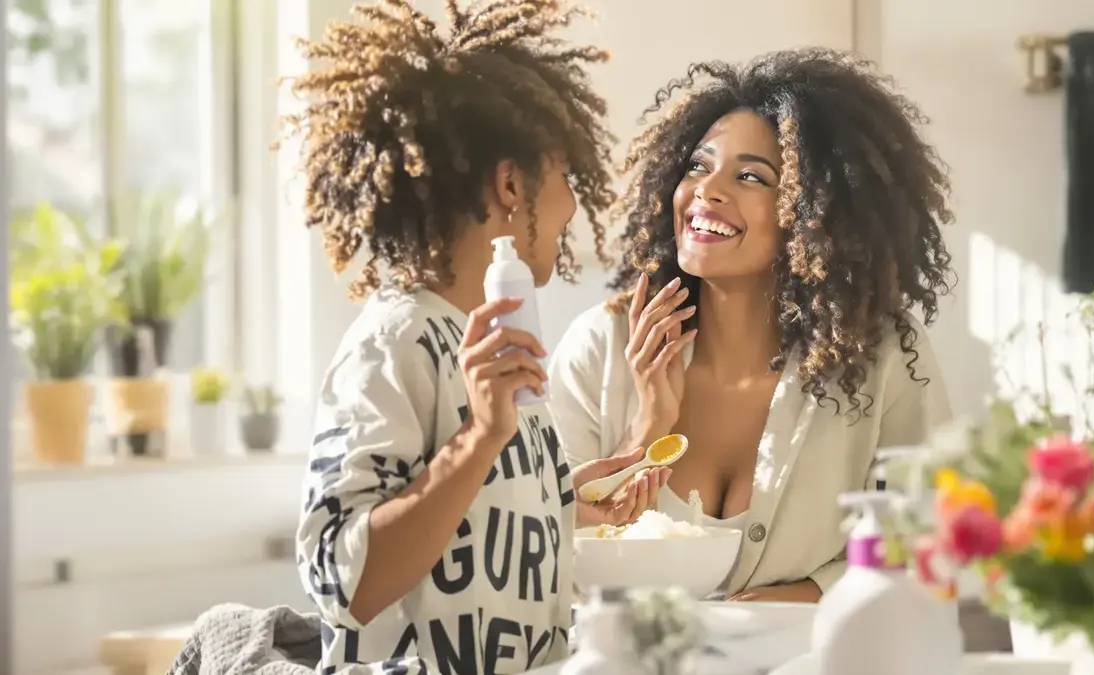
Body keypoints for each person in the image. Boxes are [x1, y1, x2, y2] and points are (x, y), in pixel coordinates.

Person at [287, 1, 649, 672]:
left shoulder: (494, 344)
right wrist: (480, 437)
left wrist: (567, 498)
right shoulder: (392, 344)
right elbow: (341, 580)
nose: (573, 203)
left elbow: (472, 529)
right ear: (510, 184)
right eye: (564, 177)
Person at [548, 48, 955, 603]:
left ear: (818, 213)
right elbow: (550, 546)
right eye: (698, 166)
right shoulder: (601, 345)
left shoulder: (881, 356)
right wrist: (645, 428)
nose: (707, 190)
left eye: (750, 177)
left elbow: (926, 535)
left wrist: (806, 595)